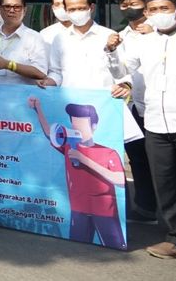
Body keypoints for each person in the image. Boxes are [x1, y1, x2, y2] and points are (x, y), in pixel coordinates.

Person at [122, 0, 176, 259]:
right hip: (155, 121)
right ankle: (174, 237)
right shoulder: (144, 42)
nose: (158, 13)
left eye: (164, 7)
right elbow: (128, 71)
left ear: (175, 9)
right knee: (165, 182)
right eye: (153, 9)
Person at [28, 98, 125, 249]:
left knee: (115, 247)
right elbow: (49, 133)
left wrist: (84, 159)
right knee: (77, 247)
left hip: (105, 212)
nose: (77, 127)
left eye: (82, 123)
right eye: (74, 123)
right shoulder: (68, 146)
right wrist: (38, 108)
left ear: (94, 126)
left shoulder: (108, 152)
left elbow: (120, 180)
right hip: (78, 210)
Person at [105, 0, 158, 223]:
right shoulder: (121, 35)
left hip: (164, 107)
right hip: (136, 107)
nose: (129, 8)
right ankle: (146, 207)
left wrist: (153, 36)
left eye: (134, 3)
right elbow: (120, 72)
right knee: (137, 157)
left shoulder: (163, 32)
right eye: (124, 4)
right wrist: (111, 50)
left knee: (167, 163)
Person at [0, 0, 49, 87]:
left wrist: (9, 65)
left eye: (17, 7)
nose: (12, 10)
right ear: (0, 10)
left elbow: (40, 72)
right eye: (7, 7)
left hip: (22, 97)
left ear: (25, 10)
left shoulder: (34, 37)